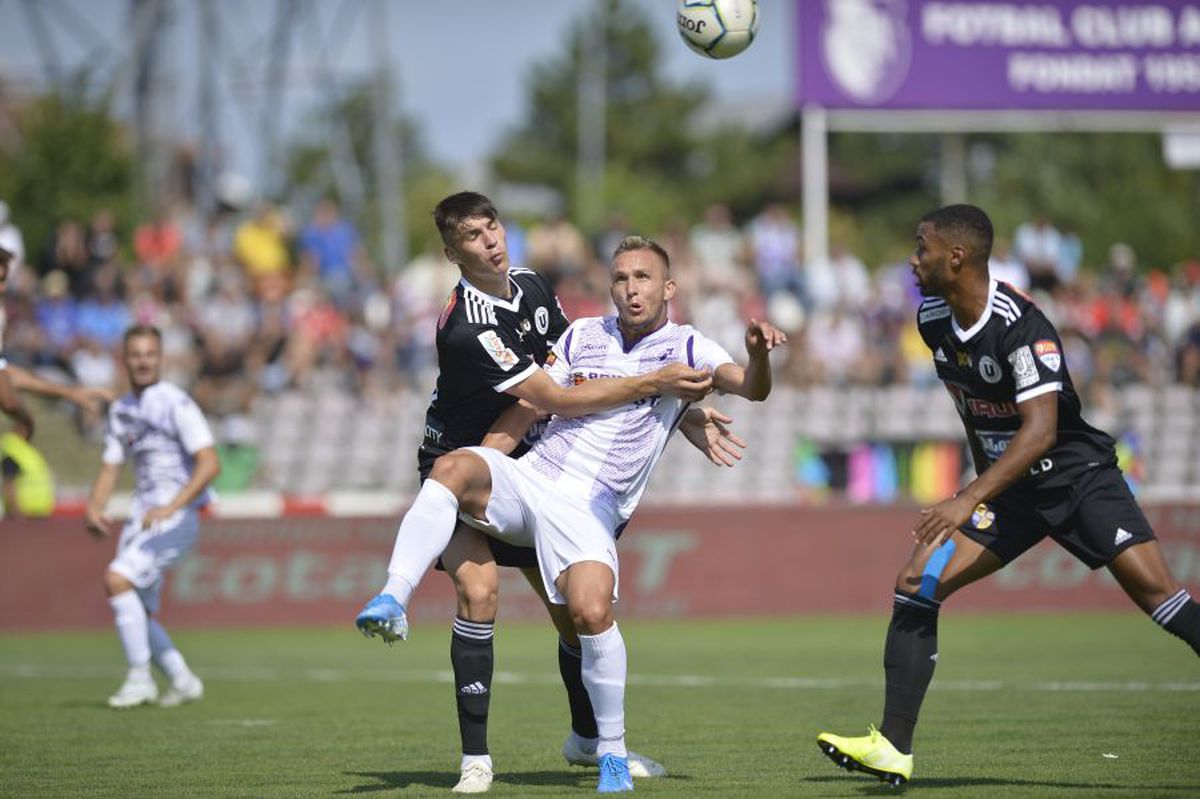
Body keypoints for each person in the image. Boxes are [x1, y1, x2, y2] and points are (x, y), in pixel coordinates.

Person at [358, 235, 784, 793]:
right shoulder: (582, 334)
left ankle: (609, 753)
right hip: (535, 478)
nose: (631, 289)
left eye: (644, 278)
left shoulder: (687, 347)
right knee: (452, 469)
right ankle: (394, 595)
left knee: (588, 612)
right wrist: (484, 461)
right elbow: (533, 402)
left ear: (669, 288)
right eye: (621, 278)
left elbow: (749, 389)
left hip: (590, 505)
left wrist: (756, 356)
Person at [816, 205, 1200, 786]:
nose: (912, 259)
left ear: (957, 256)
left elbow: (1041, 429)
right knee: (918, 581)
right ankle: (893, 748)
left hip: (1078, 479)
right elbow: (973, 408)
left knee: (1162, 600)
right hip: (1011, 493)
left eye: (921, 248)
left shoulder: (1023, 326)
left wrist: (968, 495)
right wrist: (983, 485)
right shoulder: (932, 319)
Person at [84, 325, 221, 709]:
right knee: (138, 610)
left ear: (160, 358)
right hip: (143, 519)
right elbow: (111, 465)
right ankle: (182, 678)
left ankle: (140, 678)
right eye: (136, 354)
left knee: (116, 579)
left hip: (175, 518)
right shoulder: (122, 410)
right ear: (124, 360)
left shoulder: (176, 403)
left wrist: (171, 506)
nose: (143, 361)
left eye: (150, 354)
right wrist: (95, 505)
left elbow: (210, 463)